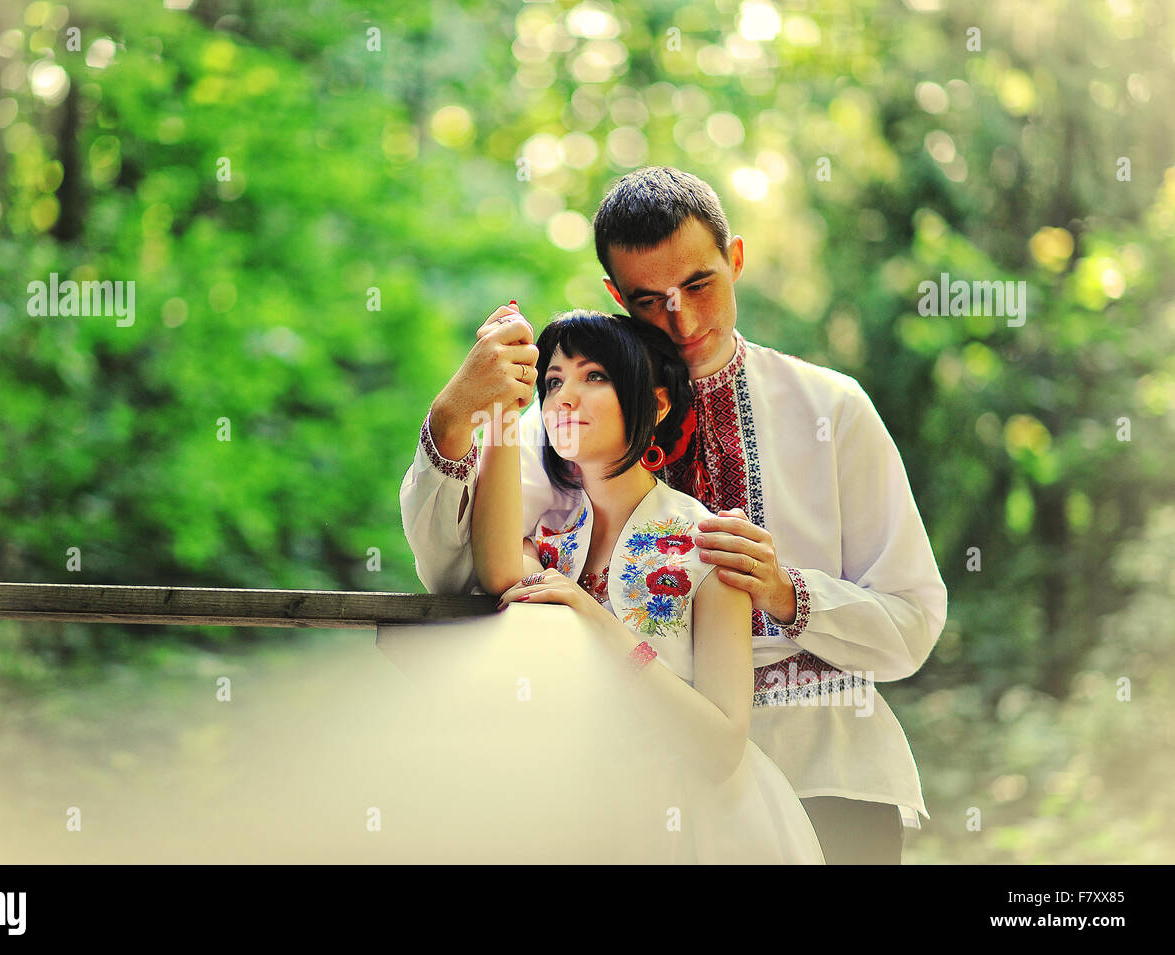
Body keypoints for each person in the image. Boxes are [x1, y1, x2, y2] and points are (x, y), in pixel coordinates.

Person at [399, 166, 948, 864]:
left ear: (736, 258)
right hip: (630, 796)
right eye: (648, 300)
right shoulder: (559, 424)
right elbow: (460, 573)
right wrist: (454, 420)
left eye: (698, 285)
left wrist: (787, 593)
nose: (680, 318)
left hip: (827, 778)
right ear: (614, 295)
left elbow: (913, 622)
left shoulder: (831, 410)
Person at [471, 306, 824, 864]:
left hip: (702, 829)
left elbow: (721, 748)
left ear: (657, 403)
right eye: (554, 381)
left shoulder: (709, 544)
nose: (564, 398)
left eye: (595, 376)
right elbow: (496, 571)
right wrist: (497, 407)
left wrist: (595, 619)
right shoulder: (552, 537)